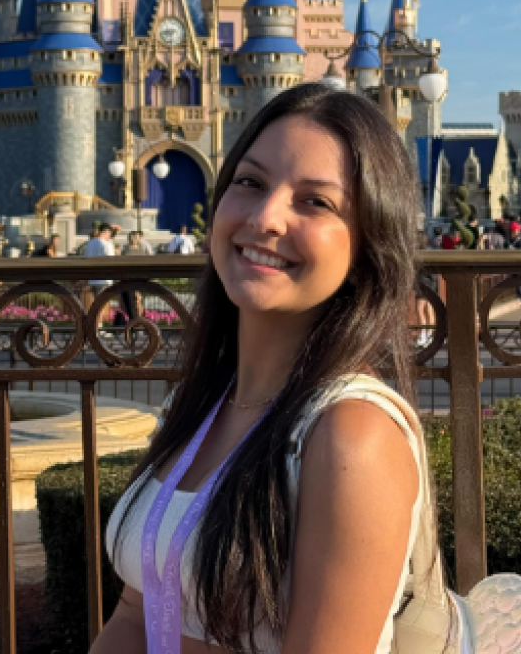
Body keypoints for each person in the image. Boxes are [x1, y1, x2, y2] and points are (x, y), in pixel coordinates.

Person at [94, 85, 428, 654]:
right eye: (250, 182)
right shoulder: (201, 404)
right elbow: (136, 615)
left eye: (315, 202)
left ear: (366, 247)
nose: (266, 217)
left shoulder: (350, 436)